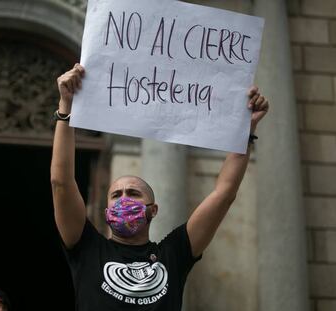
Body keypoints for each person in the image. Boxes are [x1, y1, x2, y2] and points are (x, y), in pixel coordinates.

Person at [51, 64, 269, 310]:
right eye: (116, 195)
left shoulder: (173, 254)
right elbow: (61, 183)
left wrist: (246, 130)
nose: (124, 199)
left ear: (153, 210)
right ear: (106, 211)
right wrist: (65, 107)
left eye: (133, 193)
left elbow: (224, 193)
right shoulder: (87, 247)